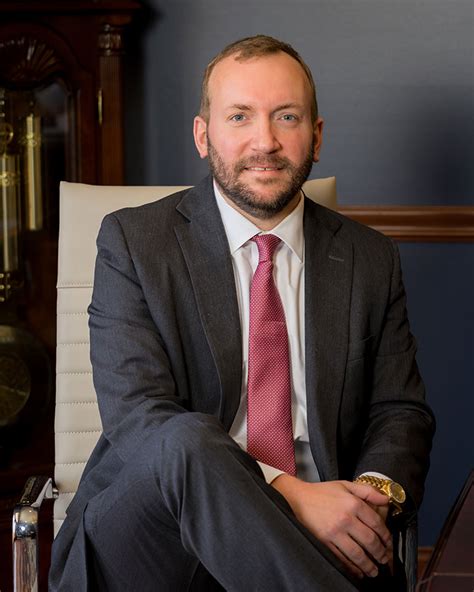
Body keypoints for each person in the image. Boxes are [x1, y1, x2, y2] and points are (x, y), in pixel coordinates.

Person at [49, 35, 435, 591]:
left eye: (286, 116)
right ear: (202, 136)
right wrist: (293, 498)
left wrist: (366, 501)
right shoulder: (134, 242)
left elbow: (400, 410)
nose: (265, 141)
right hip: (152, 540)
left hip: (315, 537)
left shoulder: (369, 258)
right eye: (239, 116)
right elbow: (139, 420)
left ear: (316, 136)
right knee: (186, 440)